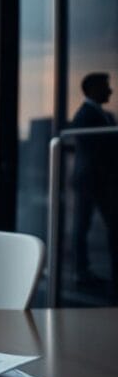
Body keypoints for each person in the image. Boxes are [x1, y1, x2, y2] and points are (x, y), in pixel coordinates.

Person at [70, 72, 117, 296]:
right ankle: (81, 272)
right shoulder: (85, 116)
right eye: (105, 86)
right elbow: (98, 151)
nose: (110, 91)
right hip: (91, 180)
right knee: (82, 226)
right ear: (92, 90)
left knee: (92, 225)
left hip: (100, 181)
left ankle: (85, 271)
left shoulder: (105, 116)